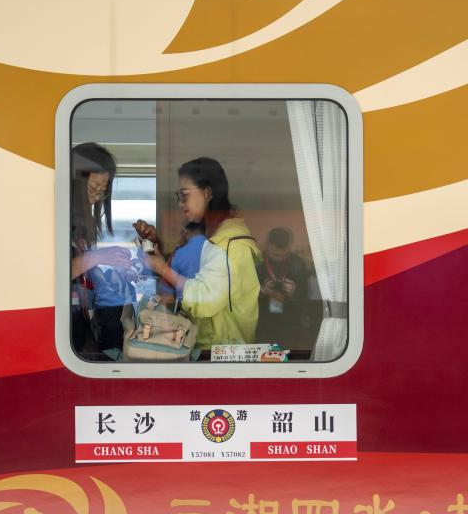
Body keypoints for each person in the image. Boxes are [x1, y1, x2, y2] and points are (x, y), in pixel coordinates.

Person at [140, 157, 262, 348]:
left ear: (207, 193)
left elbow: (204, 300)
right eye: (178, 196)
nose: (180, 204)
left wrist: (164, 269)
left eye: (184, 195)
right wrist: (158, 250)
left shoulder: (229, 246)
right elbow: (195, 277)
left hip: (221, 352)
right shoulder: (216, 239)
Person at [69, 143, 133, 356]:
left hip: (81, 324)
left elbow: (81, 275)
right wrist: (98, 257)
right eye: (92, 188)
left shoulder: (83, 226)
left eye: (102, 191)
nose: (96, 197)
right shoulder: (57, 218)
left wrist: (111, 275)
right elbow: (53, 274)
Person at [256, 227, 309, 350]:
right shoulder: (257, 262)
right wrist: (261, 291)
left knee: (287, 356)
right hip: (263, 322)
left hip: (289, 323)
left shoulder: (297, 263)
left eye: (284, 255)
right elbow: (244, 297)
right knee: (263, 356)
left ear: (289, 247)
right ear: (267, 245)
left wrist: (294, 293)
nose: (280, 258)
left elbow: (304, 297)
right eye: (276, 255)